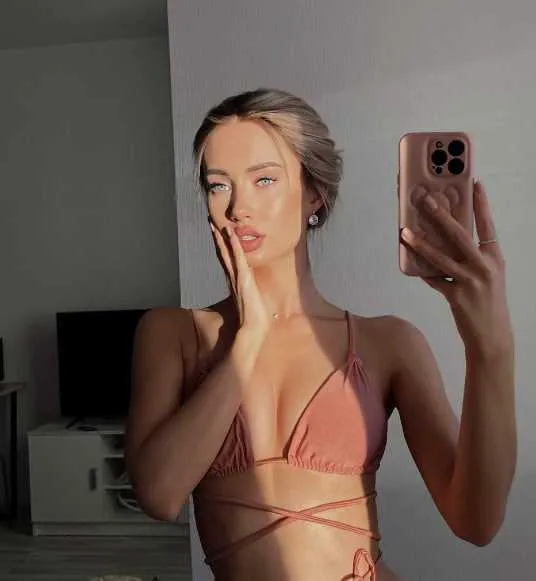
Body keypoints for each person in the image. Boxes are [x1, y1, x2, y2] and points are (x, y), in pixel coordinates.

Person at [124, 88, 516, 581]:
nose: (237, 208)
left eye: (264, 179)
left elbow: (476, 523)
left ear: (315, 193)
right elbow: (159, 496)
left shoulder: (388, 344)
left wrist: (491, 348)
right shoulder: (172, 333)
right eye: (218, 185)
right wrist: (249, 341)